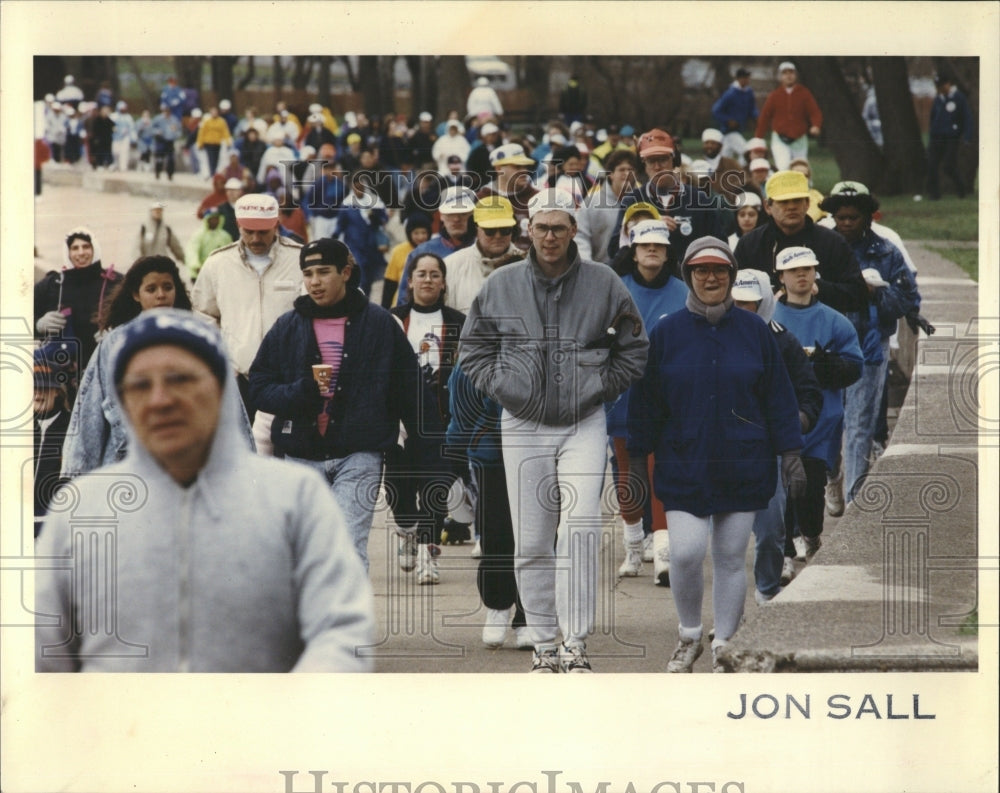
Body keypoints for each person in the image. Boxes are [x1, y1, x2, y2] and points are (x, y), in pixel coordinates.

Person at [35, 309, 375, 672]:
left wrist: (291, 712)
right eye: (139, 385)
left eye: (180, 379)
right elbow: (43, 652)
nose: (160, 399)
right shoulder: (81, 510)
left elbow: (341, 632)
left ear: (219, 388)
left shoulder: (293, 498)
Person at [460, 189, 648, 673]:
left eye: (560, 228)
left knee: (581, 527)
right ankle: (544, 643)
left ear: (573, 232)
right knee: (532, 538)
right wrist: (505, 388)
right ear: (529, 230)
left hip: (583, 420)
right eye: (542, 227)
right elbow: (474, 349)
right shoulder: (501, 284)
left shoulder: (604, 282)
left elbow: (634, 346)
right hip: (522, 423)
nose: (549, 237)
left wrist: (599, 386)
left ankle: (575, 641)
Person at [626, 238, 806, 672]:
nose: (711, 278)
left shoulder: (756, 332)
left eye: (720, 272)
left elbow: (779, 398)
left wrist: (790, 453)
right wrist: (635, 460)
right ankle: (689, 635)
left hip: (743, 464)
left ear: (730, 276)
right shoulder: (667, 333)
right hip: (683, 462)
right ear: (688, 275)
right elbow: (646, 402)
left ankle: (724, 643)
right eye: (701, 271)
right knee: (685, 553)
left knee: (729, 556)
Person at [248, 239, 437, 571]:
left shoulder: (380, 324)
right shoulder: (288, 326)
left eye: (323, 272)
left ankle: (352, 623)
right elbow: (259, 388)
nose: (315, 282)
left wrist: (434, 462)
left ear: (346, 272)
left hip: (360, 452)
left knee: (349, 549)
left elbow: (412, 392)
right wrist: (302, 391)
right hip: (301, 456)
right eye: (308, 273)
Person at [60, 256, 215, 478]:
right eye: (151, 289)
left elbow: (223, 405)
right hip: (124, 466)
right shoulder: (114, 344)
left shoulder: (197, 340)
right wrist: (77, 472)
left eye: (167, 287)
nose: (161, 295)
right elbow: (90, 409)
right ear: (136, 295)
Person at [818, 182, 920, 504]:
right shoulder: (820, 249)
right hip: (826, 348)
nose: (847, 223)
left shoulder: (887, 251)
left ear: (867, 217)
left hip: (870, 347)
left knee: (860, 426)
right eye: (841, 217)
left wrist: (876, 292)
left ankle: (854, 504)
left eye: (854, 217)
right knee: (828, 425)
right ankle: (832, 476)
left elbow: (907, 300)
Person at [729, 269, 822, 598]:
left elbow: (810, 393)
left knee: (771, 532)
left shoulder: (782, 340)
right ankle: (729, 611)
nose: (742, 310)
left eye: (750, 304)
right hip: (724, 450)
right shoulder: (713, 336)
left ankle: (767, 593)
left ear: (764, 303)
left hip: (769, 452)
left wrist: (795, 423)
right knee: (728, 541)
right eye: (736, 303)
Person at [191, 192, 303, 452]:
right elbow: (203, 313)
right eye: (248, 231)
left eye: (263, 232)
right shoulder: (218, 263)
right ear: (238, 225)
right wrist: (221, 358)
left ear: (276, 224)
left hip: (288, 380)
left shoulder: (299, 260)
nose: (255, 239)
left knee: (286, 455)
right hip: (239, 379)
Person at [608, 220, 688, 583]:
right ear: (634, 250)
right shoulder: (616, 288)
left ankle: (663, 553)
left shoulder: (683, 291)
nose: (652, 251)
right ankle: (633, 548)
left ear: (668, 251)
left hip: (668, 398)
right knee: (628, 473)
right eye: (645, 246)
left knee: (661, 472)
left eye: (659, 246)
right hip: (623, 396)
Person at [772, 247, 863, 562]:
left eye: (808, 269)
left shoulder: (835, 321)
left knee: (809, 491)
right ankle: (783, 551)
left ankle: (811, 535)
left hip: (822, 422)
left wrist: (831, 367)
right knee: (782, 489)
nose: (802, 275)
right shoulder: (767, 317)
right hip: (780, 421)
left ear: (815, 274)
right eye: (794, 270)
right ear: (780, 277)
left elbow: (855, 365)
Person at [387, 253, 466, 583]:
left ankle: (428, 555)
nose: (428, 280)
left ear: (444, 282)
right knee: (398, 489)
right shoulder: (391, 319)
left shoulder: (458, 322)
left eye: (435, 274)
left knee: (436, 488)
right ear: (410, 281)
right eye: (421, 274)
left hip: (442, 421)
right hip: (400, 421)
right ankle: (406, 529)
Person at [734, 170, 868, 316]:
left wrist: (818, 288)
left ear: (807, 204)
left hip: (820, 330)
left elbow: (859, 294)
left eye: (797, 200)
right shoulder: (750, 244)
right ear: (767, 207)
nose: (791, 207)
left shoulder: (832, 242)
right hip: (764, 330)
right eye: (784, 202)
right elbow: (734, 292)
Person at [608, 128, 722, 265]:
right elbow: (614, 250)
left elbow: (719, 245)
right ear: (643, 165)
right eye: (651, 161)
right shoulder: (632, 200)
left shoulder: (699, 199)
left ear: (674, 161)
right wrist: (648, 224)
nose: (657, 167)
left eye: (662, 159)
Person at [35, 227, 123, 374]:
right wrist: (38, 324)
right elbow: (18, 311)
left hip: (106, 368)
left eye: (86, 246)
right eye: (75, 248)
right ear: (67, 252)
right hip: (63, 373)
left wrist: (118, 335)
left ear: (95, 248)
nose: (81, 252)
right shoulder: (54, 284)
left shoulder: (115, 283)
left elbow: (137, 317)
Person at [397, 185, 479, 303]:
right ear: (441, 215)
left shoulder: (483, 249)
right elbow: (404, 299)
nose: (456, 219)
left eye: (463, 213)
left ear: (472, 214)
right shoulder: (422, 252)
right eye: (451, 213)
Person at [442, 196, 523, 314]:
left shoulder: (530, 265)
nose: (498, 236)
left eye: (505, 229)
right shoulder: (450, 266)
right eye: (490, 230)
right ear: (476, 229)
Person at [32, 349, 73, 537]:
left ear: (57, 391)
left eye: (44, 387)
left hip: (54, 525)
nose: (38, 394)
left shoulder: (72, 427)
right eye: (33, 387)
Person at [755, 61, 823, 171]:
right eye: (785, 73)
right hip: (780, 138)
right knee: (783, 167)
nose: (788, 76)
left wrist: (816, 125)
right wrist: (759, 137)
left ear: (795, 75)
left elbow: (815, 112)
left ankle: (803, 187)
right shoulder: (775, 96)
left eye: (791, 72)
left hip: (799, 138)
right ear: (780, 77)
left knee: (801, 169)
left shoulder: (804, 93)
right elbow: (765, 117)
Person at [575, 149, 638, 265]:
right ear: (611, 174)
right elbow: (580, 236)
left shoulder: (641, 202)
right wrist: (587, 267)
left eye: (631, 170)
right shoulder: (592, 201)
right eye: (622, 170)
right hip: (599, 270)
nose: (627, 174)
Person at [476, 142, 539, 252]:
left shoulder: (537, 197)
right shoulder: (482, 198)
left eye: (525, 166)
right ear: (499, 168)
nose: (524, 170)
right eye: (517, 166)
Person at [333, 171, 389, 296]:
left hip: (372, 246)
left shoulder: (375, 202)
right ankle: (358, 298)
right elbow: (341, 225)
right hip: (355, 245)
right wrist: (335, 236)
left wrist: (376, 217)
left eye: (361, 187)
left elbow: (384, 219)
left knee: (370, 276)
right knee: (359, 273)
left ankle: (366, 299)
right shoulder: (347, 204)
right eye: (356, 188)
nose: (359, 191)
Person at [926, 72, 974, 200]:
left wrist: (967, 136)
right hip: (937, 136)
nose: (940, 89)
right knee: (932, 164)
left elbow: (967, 118)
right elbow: (933, 118)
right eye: (938, 86)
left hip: (951, 137)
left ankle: (961, 190)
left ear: (948, 84)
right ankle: (934, 195)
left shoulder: (958, 98)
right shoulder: (938, 99)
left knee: (949, 165)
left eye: (942, 86)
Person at [382, 212, 432, 309]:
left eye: (424, 232)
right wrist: (385, 309)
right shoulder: (398, 251)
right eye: (416, 233)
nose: (421, 237)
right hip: (401, 304)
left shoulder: (433, 250)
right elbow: (390, 283)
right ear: (409, 234)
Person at [712, 67, 758, 161]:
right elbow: (716, 110)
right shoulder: (730, 94)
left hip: (738, 129)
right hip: (729, 130)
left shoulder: (748, 92)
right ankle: (741, 171)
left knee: (724, 158)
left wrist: (757, 116)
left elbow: (752, 108)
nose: (747, 80)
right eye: (744, 78)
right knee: (746, 152)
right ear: (738, 79)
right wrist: (728, 120)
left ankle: (726, 173)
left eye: (748, 78)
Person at [185, 207, 234, 283]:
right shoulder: (199, 235)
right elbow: (192, 252)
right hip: (200, 274)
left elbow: (231, 253)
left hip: (219, 275)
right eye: (212, 218)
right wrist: (196, 266)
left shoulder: (225, 236)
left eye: (217, 218)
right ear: (207, 219)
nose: (215, 221)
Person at [150, 103, 183, 180]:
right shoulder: (158, 119)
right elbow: (151, 129)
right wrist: (157, 132)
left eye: (167, 111)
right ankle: (158, 172)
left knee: (171, 159)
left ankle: (170, 174)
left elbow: (179, 131)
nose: (166, 112)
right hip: (161, 141)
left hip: (170, 142)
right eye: (164, 111)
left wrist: (175, 134)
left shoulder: (174, 120)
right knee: (159, 159)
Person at [110, 100, 136, 172]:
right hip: (115, 137)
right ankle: (116, 164)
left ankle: (123, 167)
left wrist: (133, 138)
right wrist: (113, 129)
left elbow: (132, 128)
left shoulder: (128, 117)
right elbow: (108, 126)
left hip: (125, 138)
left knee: (124, 153)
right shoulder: (113, 116)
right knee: (115, 152)